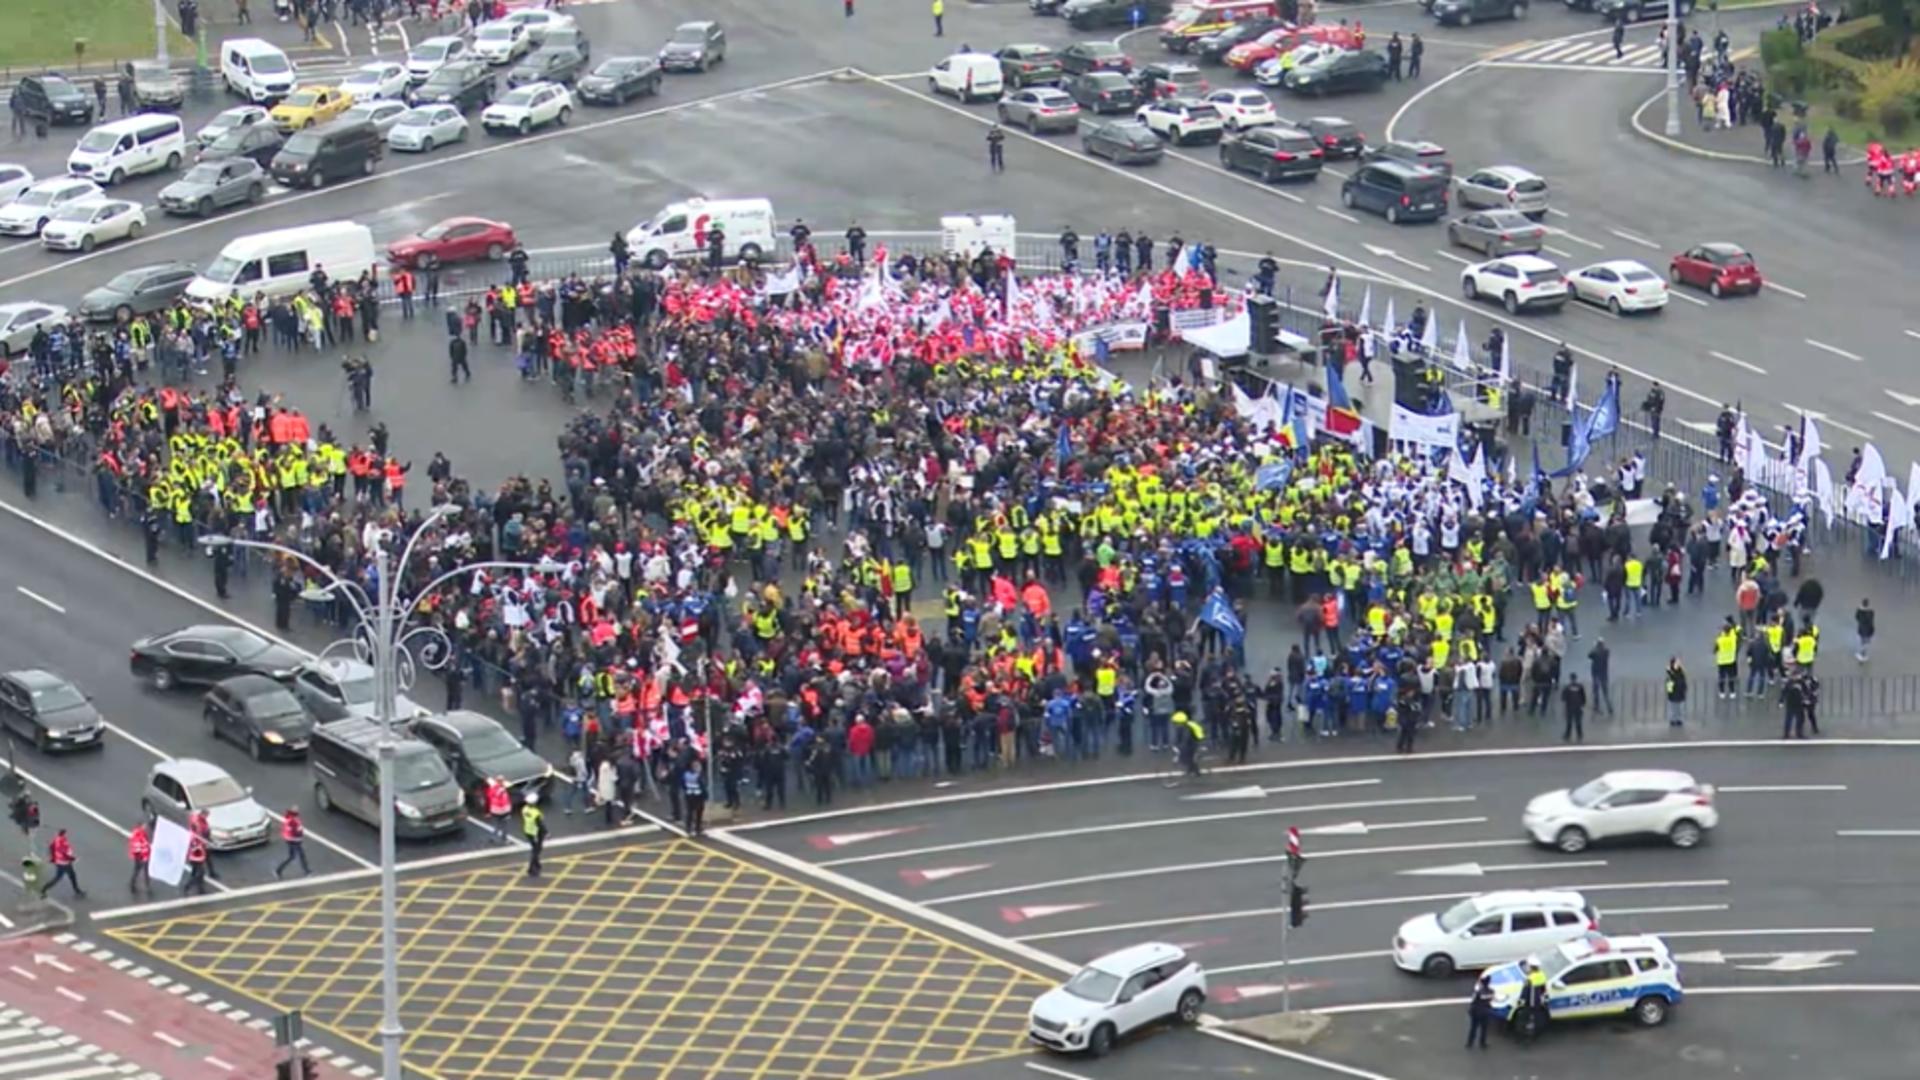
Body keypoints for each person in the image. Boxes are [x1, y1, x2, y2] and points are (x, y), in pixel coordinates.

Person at [274, 806, 311, 878]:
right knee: (297, 856)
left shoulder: (291, 819)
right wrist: (299, 832)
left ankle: (278, 870)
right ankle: (306, 871)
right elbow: (295, 832)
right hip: (294, 841)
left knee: (295, 856)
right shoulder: (292, 821)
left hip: (292, 841)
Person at [1466, 974, 1495, 1049]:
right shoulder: (1491, 991)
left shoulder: (1477, 992)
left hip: (1476, 1011)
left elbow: (1473, 1001)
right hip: (1485, 1012)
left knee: (1473, 1028)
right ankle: (1483, 1043)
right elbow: (1491, 1000)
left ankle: (1470, 1043)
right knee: (1484, 1029)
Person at [523, 794, 548, 876]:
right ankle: (531, 868)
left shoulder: (524, 809)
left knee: (534, 848)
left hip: (527, 831)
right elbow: (540, 824)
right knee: (536, 850)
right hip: (535, 833)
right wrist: (546, 832)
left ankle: (537, 864)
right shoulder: (535, 813)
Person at [682, 757, 707, 836]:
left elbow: (683, 785)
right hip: (698, 796)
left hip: (689, 795)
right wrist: (706, 796)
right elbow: (703, 787)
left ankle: (688, 828)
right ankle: (698, 828)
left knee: (689, 812)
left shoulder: (686, 775)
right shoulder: (698, 776)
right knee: (699, 812)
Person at [485, 776, 512, 845]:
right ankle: (504, 839)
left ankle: (492, 837)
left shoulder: (492, 788)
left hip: (494, 810)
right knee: (505, 826)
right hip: (503, 812)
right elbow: (504, 803)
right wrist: (508, 811)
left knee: (496, 826)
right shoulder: (502, 791)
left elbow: (489, 796)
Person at [128, 819, 152, 895]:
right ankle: (142, 885)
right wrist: (143, 856)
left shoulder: (139, 833)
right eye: (144, 825)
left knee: (140, 870)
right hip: (141, 856)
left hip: (141, 855)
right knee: (142, 870)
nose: (146, 827)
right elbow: (140, 846)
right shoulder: (139, 834)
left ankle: (134, 883)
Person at [1560, 673, 1587, 743]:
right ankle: (1579, 735)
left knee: (1569, 722)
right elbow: (1583, 697)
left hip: (1570, 707)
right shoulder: (1580, 686)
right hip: (1578, 707)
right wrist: (1583, 704)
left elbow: (1563, 698)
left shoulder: (1567, 687)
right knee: (1578, 722)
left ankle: (1567, 735)